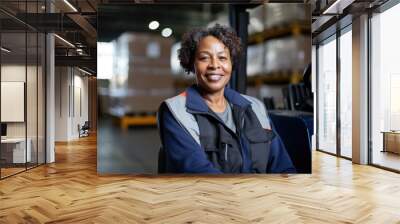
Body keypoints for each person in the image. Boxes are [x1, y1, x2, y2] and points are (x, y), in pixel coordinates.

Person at [157, 24, 295, 174]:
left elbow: (282, 166)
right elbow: (198, 173)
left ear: (231, 63)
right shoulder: (176, 111)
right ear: (192, 64)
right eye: (204, 58)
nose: (215, 65)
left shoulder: (255, 107)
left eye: (222, 58)